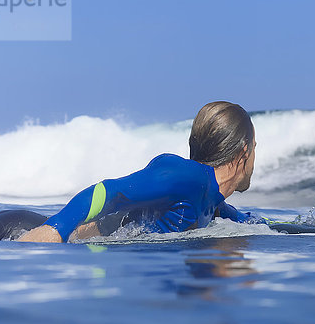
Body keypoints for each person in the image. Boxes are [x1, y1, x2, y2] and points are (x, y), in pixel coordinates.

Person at [15, 101, 259, 243]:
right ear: (244, 151)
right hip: (17, 228)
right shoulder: (185, 177)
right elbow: (109, 191)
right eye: (256, 147)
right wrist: (54, 230)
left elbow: (259, 225)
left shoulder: (213, 205)